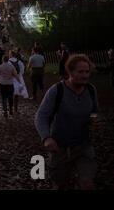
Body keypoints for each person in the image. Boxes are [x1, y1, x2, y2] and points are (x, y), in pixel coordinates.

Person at [35, 54, 99, 190]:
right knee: (61, 184)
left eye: (87, 72)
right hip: (60, 148)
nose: (85, 75)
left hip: (84, 147)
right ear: (70, 72)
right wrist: (46, 138)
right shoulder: (57, 91)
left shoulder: (91, 90)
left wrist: (93, 122)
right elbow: (41, 116)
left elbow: (94, 111)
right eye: (80, 72)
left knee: (87, 183)